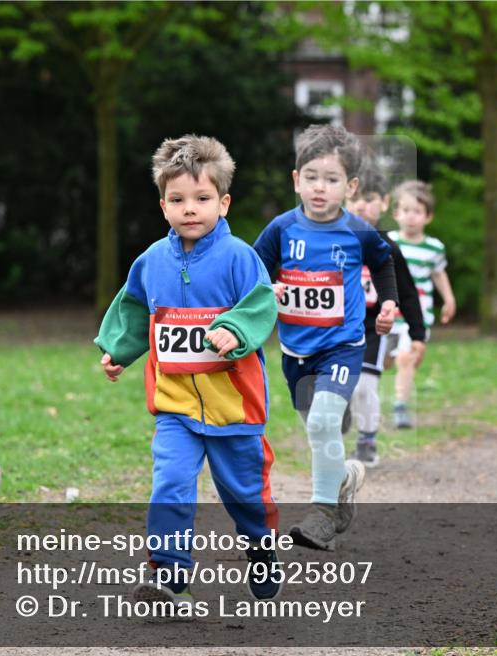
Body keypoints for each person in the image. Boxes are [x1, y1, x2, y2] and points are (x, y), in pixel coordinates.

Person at [96, 135, 281, 606]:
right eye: (178, 200)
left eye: (202, 199)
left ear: (223, 201)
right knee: (171, 482)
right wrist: (119, 350)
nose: (190, 209)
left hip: (234, 409)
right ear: (162, 206)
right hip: (174, 404)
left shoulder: (239, 256)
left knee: (246, 498)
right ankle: (169, 574)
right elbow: (135, 308)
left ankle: (261, 546)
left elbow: (261, 304)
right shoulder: (151, 261)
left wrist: (235, 330)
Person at [253, 124, 398, 551]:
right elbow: (253, 270)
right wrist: (267, 291)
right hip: (296, 352)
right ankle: (346, 480)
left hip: (343, 346)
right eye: (311, 177)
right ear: (296, 180)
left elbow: (385, 265)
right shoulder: (281, 229)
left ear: (350, 186)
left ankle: (322, 515)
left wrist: (387, 305)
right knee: (321, 435)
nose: (320, 188)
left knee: (321, 423)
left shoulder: (359, 232)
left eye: (331, 180)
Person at [346, 164, 425, 466]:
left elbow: (407, 292)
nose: (362, 205)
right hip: (333, 328)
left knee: (365, 385)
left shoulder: (387, 246)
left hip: (372, 328)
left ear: (385, 203)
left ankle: (367, 441)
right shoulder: (331, 240)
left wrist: (417, 335)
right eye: (355, 199)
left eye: (370, 198)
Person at [386, 180, 456, 429]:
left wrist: (448, 298)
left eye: (417, 211)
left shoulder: (434, 248)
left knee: (405, 358)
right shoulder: (388, 242)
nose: (410, 217)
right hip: (388, 314)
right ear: (396, 213)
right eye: (405, 210)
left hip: (418, 316)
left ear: (428, 216)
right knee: (385, 362)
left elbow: (439, 274)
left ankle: (400, 406)